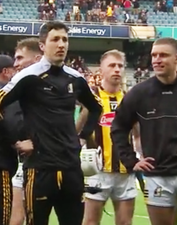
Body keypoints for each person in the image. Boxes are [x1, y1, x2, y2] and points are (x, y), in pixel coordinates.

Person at [0, 21, 103, 225]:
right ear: (42, 46)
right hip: (40, 169)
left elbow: (96, 107)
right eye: (55, 39)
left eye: (65, 39)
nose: (61, 44)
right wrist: (15, 141)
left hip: (72, 169)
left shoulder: (76, 78)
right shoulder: (27, 77)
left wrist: (82, 137)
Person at [111, 37, 177, 225]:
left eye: (163, 55)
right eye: (154, 55)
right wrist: (131, 161)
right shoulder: (139, 93)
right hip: (157, 176)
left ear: (176, 59)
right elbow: (118, 127)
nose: (157, 59)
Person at [81, 49, 139, 225]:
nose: (117, 69)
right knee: (91, 222)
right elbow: (78, 132)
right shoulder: (92, 98)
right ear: (102, 69)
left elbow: (138, 134)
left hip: (125, 172)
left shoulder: (130, 99)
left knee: (125, 222)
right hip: (97, 171)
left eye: (120, 66)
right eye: (112, 65)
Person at [9, 37, 43, 225]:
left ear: (37, 59)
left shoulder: (58, 90)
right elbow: (9, 125)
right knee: (17, 218)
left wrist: (36, 143)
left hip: (53, 165)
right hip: (22, 164)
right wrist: (16, 142)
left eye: (20, 58)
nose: (16, 64)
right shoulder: (13, 92)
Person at [0, 55, 18, 225]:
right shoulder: (7, 95)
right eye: (13, 70)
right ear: (5, 72)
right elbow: (11, 123)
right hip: (2, 164)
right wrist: (18, 142)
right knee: (4, 216)